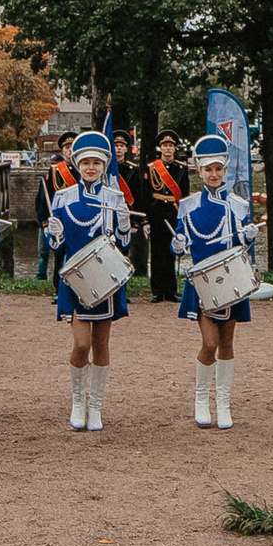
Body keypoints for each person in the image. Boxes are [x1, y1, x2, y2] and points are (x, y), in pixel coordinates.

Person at [45, 128, 130, 430]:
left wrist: (123, 225)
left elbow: (123, 245)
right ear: (77, 165)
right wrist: (53, 234)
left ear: (104, 165)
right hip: (74, 280)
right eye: (85, 163)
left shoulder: (114, 197)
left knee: (102, 345)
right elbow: (57, 247)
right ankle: (77, 401)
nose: (91, 168)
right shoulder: (62, 197)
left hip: (106, 279)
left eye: (96, 162)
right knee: (82, 345)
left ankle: (96, 407)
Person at [173, 133, 256, 429]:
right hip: (202, 282)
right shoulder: (188, 205)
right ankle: (200, 399)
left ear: (226, 170)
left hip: (230, 280)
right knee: (209, 343)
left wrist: (249, 237)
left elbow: (245, 249)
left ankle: (224, 402)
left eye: (218, 169)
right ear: (199, 171)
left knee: (228, 343)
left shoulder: (238, 204)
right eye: (208, 169)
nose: (213, 174)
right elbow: (179, 242)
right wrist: (178, 244)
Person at [138, 132, 186, 304]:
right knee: (157, 254)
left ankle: (171, 290)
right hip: (157, 213)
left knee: (172, 252)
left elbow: (185, 195)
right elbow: (146, 195)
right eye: (165, 146)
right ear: (160, 148)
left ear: (174, 148)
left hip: (173, 213)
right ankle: (157, 291)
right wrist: (146, 220)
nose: (168, 149)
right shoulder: (152, 168)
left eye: (171, 146)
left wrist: (184, 219)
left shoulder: (181, 168)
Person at [34, 130, 77, 279]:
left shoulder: (84, 170)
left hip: (78, 220)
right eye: (66, 147)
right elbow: (45, 198)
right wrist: (45, 222)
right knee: (59, 255)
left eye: (73, 146)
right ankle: (58, 288)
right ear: (62, 151)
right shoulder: (54, 171)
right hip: (61, 219)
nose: (70, 150)